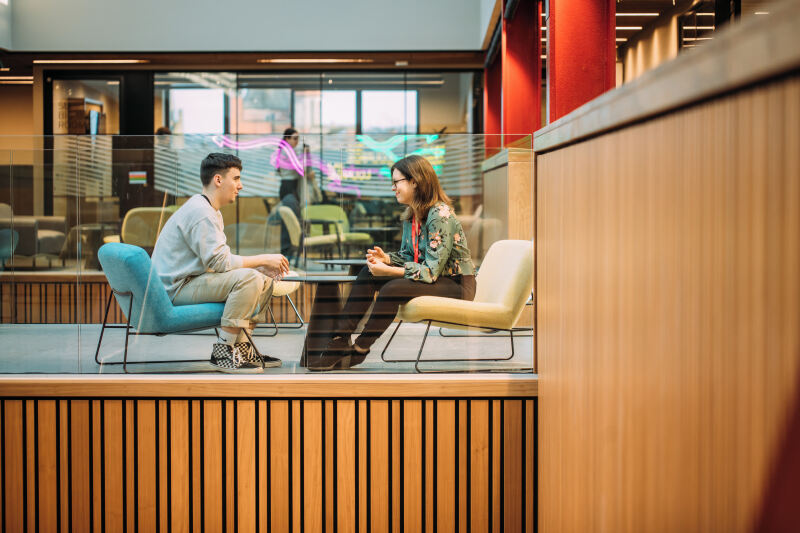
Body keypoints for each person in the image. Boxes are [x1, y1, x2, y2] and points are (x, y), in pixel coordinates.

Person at [311, 154, 477, 371]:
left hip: (457, 285)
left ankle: (360, 349)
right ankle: (339, 340)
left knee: (391, 288)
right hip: (436, 278)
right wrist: (387, 259)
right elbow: (411, 255)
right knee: (368, 273)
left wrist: (389, 271)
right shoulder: (413, 214)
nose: (393, 188)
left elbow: (431, 271)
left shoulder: (439, 214)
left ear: (414, 181)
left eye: (396, 182)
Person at [151, 153, 290, 373]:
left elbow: (216, 262)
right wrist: (263, 259)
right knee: (250, 278)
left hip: (189, 281)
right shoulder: (202, 212)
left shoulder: (207, 209)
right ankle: (223, 352)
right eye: (235, 179)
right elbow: (221, 262)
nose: (240, 185)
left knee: (261, 278)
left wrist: (258, 267)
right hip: (176, 289)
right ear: (218, 180)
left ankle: (243, 347)